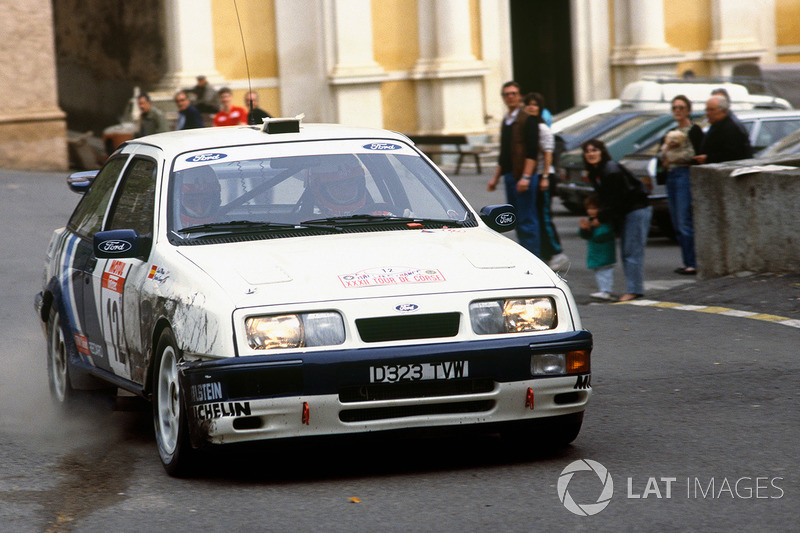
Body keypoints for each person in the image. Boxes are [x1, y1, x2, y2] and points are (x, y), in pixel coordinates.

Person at [581, 138, 652, 302]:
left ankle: (634, 290)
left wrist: (601, 217)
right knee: (628, 250)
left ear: (602, 151)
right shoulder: (597, 171)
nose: (591, 154)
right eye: (587, 151)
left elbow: (614, 199)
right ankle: (634, 288)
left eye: (595, 150)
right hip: (626, 211)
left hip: (636, 209)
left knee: (632, 251)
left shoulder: (610, 170)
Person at [487, 81, 542, 258]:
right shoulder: (507, 119)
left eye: (513, 93)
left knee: (527, 219)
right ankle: (526, 255)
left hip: (523, 177)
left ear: (519, 96)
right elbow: (505, 153)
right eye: (506, 94)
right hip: (510, 176)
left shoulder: (527, 118)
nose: (510, 97)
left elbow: (533, 152)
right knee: (516, 219)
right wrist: (495, 178)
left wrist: (526, 177)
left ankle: (535, 257)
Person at [523, 92, 568, 270]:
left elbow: (548, 154)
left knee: (545, 217)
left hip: (544, 176)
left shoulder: (542, 128)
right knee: (537, 216)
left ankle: (557, 252)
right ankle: (546, 253)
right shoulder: (530, 126)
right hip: (537, 176)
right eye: (529, 104)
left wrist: (544, 177)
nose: (531, 107)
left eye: (535, 105)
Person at [660, 94, 704, 275]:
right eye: (675, 108)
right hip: (672, 174)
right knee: (677, 222)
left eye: (681, 108)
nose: (677, 111)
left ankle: (693, 262)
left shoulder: (693, 130)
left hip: (684, 173)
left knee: (684, 220)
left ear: (688, 110)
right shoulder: (671, 132)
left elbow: (699, 153)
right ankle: (687, 261)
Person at [694, 94, 753, 164]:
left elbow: (735, 155)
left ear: (724, 110)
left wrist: (709, 158)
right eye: (707, 110)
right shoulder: (717, 124)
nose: (708, 113)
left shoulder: (731, 128)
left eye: (711, 110)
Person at [578, 194, 616, 301]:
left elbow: (605, 234)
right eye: (589, 208)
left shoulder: (603, 221)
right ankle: (603, 289)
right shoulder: (590, 220)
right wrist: (584, 229)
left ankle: (606, 290)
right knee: (599, 272)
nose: (591, 211)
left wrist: (591, 229)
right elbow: (585, 236)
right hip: (596, 252)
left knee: (605, 271)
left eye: (594, 208)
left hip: (604, 252)